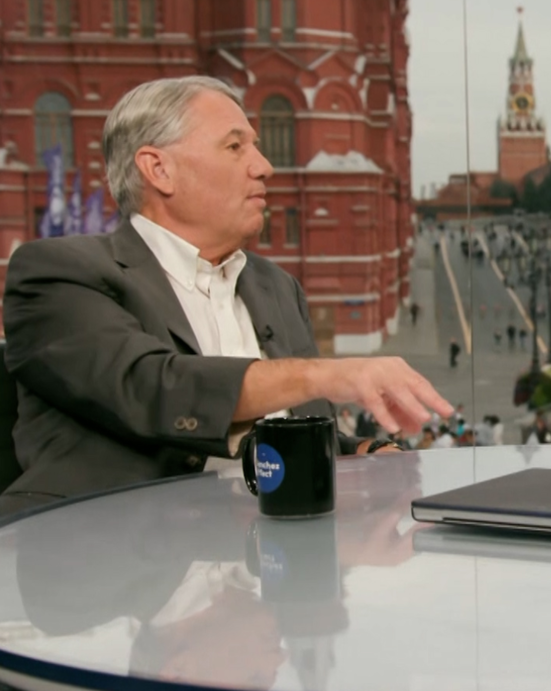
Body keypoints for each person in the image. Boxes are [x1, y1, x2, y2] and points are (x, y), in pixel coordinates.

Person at [0, 77, 453, 514]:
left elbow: (287, 437)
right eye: (235, 147)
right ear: (159, 169)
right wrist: (326, 374)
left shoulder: (276, 287)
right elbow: (153, 389)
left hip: (270, 555)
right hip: (109, 554)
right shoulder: (57, 274)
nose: (264, 166)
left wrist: (363, 454)